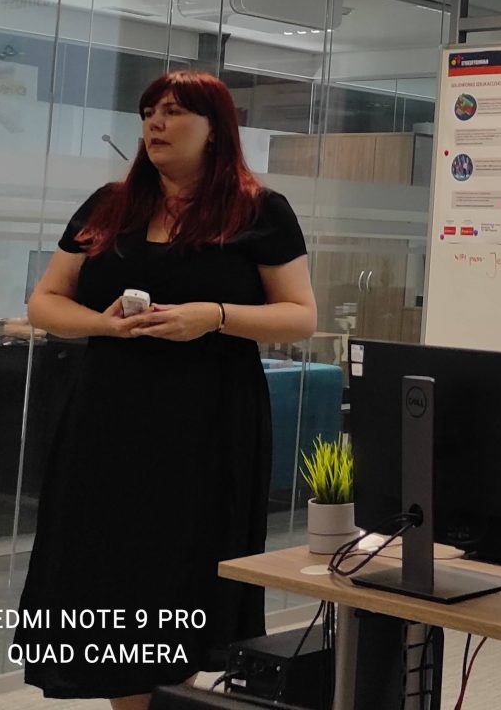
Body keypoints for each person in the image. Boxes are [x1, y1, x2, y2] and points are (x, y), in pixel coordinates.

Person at [20, 70, 316, 710]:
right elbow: (45, 301)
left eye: (175, 111)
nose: (156, 122)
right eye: (149, 111)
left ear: (215, 129)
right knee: (105, 570)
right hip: (108, 417)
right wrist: (104, 325)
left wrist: (214, 316)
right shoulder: (109, 205)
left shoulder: (259, 210)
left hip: (207, 421)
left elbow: (300, 316)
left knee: (181, 576)